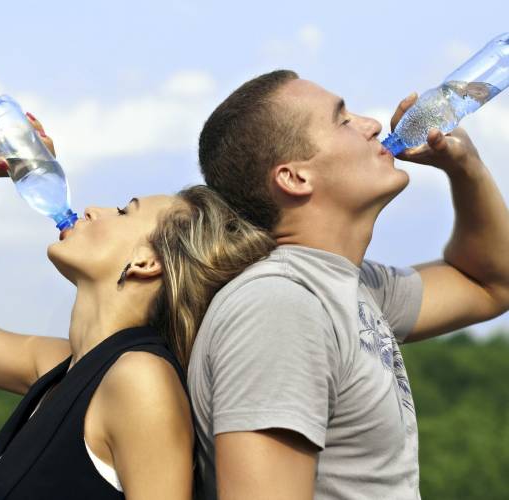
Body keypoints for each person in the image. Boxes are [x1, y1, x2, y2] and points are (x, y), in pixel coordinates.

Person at [0, 114, 275, 499]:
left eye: (123, 211)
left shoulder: (140, 380)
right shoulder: (61, 368)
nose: (93, 209)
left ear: (145, 263)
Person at [187, 69, 509, 499]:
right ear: (294, 178)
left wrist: (465, 168)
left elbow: (491, 283)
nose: (373, 124)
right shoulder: (279, 306)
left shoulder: (351, 286)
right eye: (343, 120)